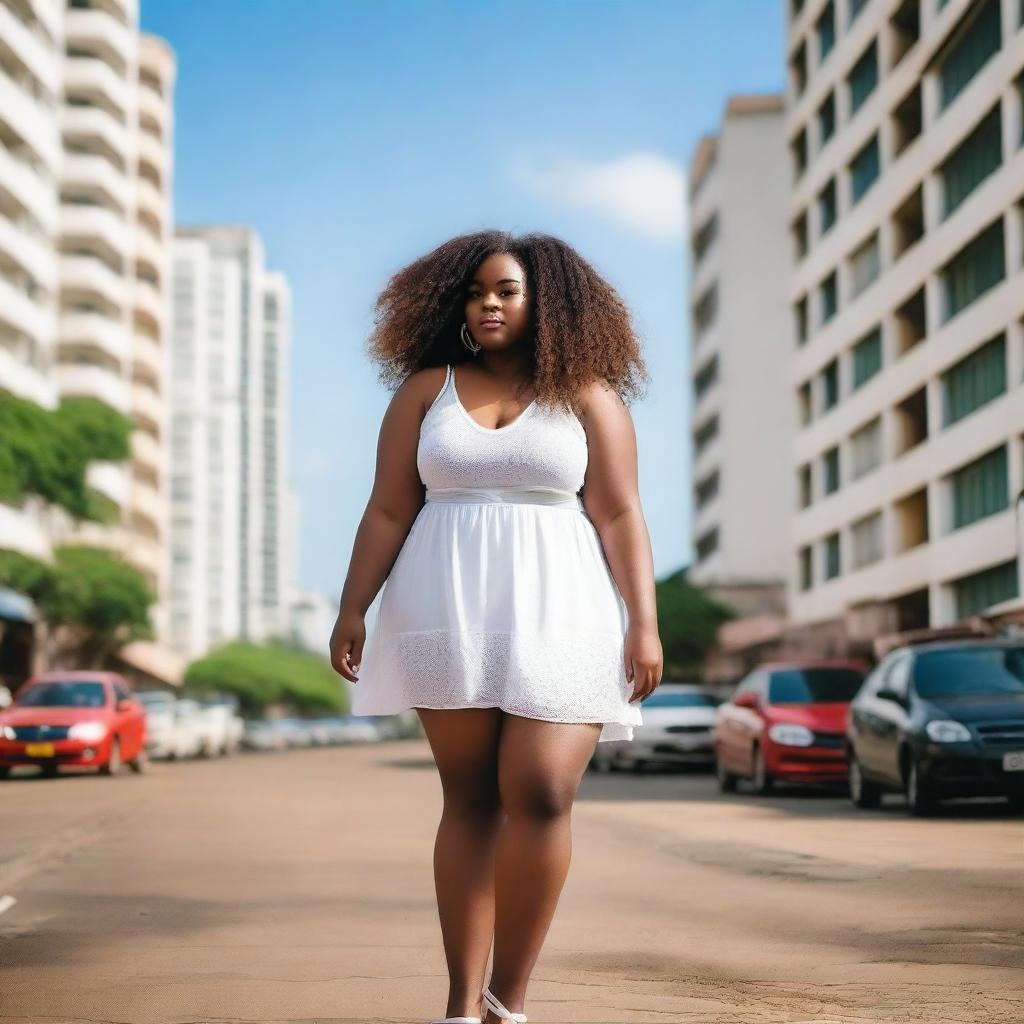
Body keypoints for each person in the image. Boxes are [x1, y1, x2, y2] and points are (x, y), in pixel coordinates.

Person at [329, 229, 663, 1024]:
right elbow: (386, 508)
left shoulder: (588, 394)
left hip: (565, 606)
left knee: (542, 792)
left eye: (506, 291)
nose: (488, 303)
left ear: (546, 302)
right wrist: (352, 606)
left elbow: (618, 513)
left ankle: (506, 1000)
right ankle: (458, 1003)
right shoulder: (425, 390)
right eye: (477, 291)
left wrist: (643, 623)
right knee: (471, 799)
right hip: (445, 604)